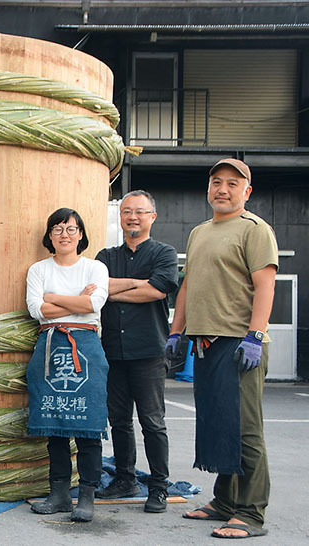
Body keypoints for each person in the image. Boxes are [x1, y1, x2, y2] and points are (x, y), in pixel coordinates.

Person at [168, 158, 277, 539]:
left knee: (246, 431)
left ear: (246, 192)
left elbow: (265, 286)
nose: (223, 189)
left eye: (233, 183)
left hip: (239, 341)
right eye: (217, 182)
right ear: (209, 188)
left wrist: (255, 336)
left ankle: (250, 512)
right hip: (205, 342)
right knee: (219, 426)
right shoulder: (199, 232)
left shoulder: (255, 229)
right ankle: (225, 502)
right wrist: (175, 332)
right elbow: (186, 286)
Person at [95, 190, 178, 513]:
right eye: (127, 211)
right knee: (119, 421)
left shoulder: (164, 253)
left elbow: (157, 289)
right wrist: (135, 283)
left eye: (140, 212)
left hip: (149, 352)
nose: (132, 217)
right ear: (120, 216)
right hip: (112, 352)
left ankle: (158, 487)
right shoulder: (105, 257)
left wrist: (113, 290)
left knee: (152, 422)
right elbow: (97, 290)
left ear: (152, 217)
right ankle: (125, 479)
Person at [25, 207, 110, 523]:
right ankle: (59, 494)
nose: (65, 234)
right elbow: (37, 310)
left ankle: (86, 496)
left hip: (86, 347)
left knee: (88, 427)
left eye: (71, 229)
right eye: (58, 228)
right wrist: (75, 300)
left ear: (81, 235)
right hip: (50, 346)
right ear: (49, 235)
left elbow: (93, 305)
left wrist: (54, 298)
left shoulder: (95, 268)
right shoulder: (38, 269)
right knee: (55, 426)